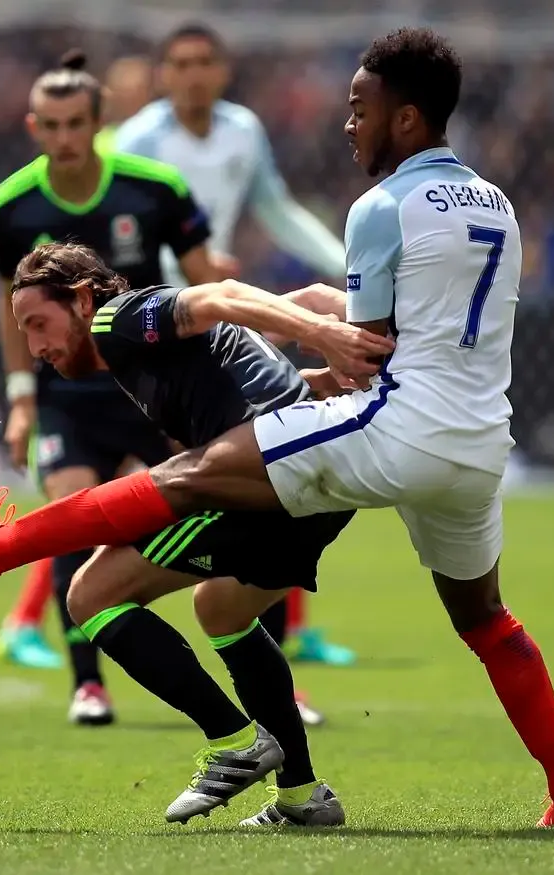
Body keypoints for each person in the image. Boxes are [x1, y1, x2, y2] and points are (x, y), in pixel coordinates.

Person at [0, 27, 554, 831]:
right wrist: (318, 319)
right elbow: (411, 326)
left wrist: (325, 338)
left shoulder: (378, 207)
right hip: (477, 445)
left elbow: (362, 346)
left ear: (406, 120)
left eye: (361, 109)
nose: (348, 123)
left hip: (394, 428)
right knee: (475, 620)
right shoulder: (497, 205)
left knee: (175, 487)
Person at [0, 241, 371, 825]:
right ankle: (302, 797)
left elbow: (224, 296)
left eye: (38, 325)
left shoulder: (118, 319)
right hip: (316, 493)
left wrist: (322, 332)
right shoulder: (148, 357)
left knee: (90, 594)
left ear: (81, 300)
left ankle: (233, 742)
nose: (35, 348)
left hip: (267, 480)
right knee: (222, 608)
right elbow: (249, 364)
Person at [0, 49, 223, 726]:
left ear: (99, 121)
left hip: (151, 391)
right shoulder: (7, 208)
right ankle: (88, 684)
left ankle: (262, 673)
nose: (63, 139)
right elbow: (12, 309)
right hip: (67, 400)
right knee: (67, 517)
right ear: (33, 126)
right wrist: (22, 396)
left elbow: (202, 281)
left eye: (74, 124)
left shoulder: (153, 188)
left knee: (218, 519)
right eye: (50, 126)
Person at [115, 22, 357, 670]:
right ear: (164, 73)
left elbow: (275, 209)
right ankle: (86, 614)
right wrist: (187, 278)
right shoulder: (138, 141)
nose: (194, 74)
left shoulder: (243, 131)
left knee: (264, 463)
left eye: (205, 62)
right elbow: (125, 241)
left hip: (212, 319)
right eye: (181, 63)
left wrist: (344, 264)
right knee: (210, 475)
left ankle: (271, 633)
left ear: (223, 70)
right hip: (154, 328)